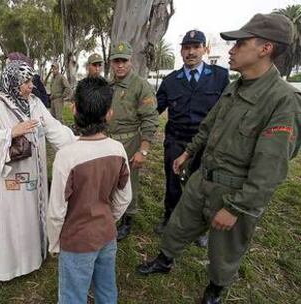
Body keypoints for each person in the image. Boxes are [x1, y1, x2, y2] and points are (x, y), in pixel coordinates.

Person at [136, 13, 301, 304]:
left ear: (266, 49)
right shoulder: (235, 87)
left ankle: (216, 288)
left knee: (224, 250)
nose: (232, 50)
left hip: (233, 191)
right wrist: (188, 152)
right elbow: (209, 125)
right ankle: (164, 260)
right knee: (178, 224)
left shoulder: (282, 101)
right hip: (203, 177)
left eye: (241, 43)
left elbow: (270, 170)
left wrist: (237, 208)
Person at [0, 60, 75, 281]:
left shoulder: (35, 103)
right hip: (11, 177)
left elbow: (53, 128)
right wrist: (11, 132)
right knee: (14, 218)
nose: (31, 86)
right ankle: (10, 266)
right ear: (12, 81)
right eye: (26, 82)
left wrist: (78, 144)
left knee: (32, 214)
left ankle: (33, 257)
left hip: (35, 176)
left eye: (31, 80)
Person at [47, 77, 132, 304]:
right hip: (106, 235)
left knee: (73, 296)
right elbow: (125, 197)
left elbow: (56, 210)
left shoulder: (66, 157)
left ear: (74, 109)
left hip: (76, 241)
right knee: (106, 289)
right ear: (109, 114)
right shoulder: (119, 150)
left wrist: (55, 243)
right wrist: (107, 219)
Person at [155, 30, 229, 248]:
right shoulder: (170, 81)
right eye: (187, 48)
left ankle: (199, 228)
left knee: (204, 186)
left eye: (196, 47)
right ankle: (170, 218)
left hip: (206, 144)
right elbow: (155, 110)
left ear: (205, 49)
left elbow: (228, 110)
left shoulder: (220, 76)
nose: (191, 52)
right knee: (173, 182)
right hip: (176, 141)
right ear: (181, 51)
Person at [107, 41, 159, 241]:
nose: (120, 65)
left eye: (124, 61)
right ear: (112, 63)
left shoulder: (141, 85)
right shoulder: (109, 85)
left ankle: (128, 219)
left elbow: (150, 119)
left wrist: (143, 150)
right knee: (109, 181)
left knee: (129, 183)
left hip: (129, 143)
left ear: (131, 62)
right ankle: (109, 213)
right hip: (108, 141)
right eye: (116, 61)